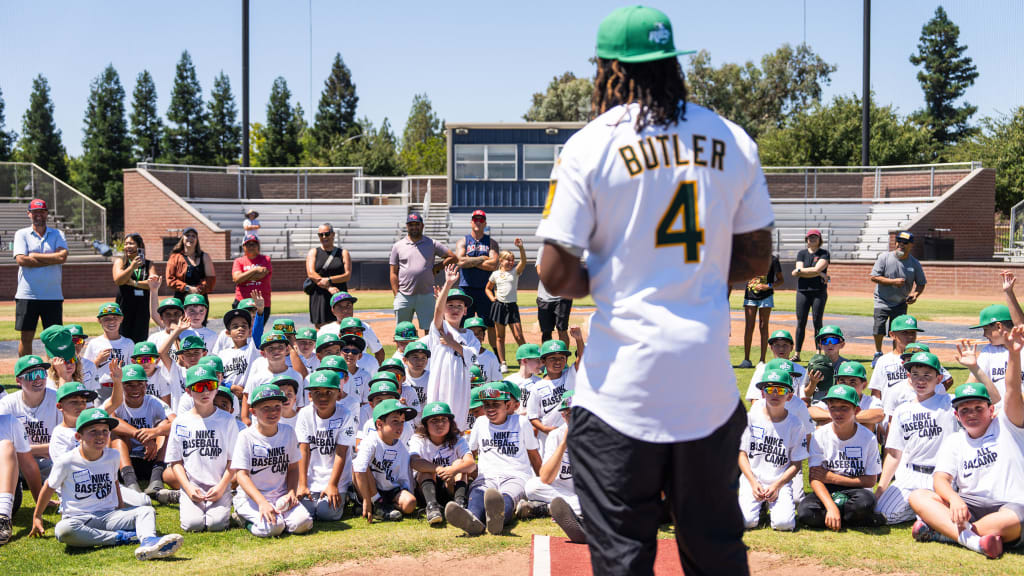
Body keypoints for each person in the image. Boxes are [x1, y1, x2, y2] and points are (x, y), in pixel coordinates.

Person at [536, 8, 774, 574]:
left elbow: (552, 270)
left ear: (609, 70)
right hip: (708, 391)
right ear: (672, 65)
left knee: (622, 558)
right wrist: (693, 274)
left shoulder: (590, 145)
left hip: (620, 394)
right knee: (716, 553)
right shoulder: (731, 138)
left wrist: (622, 273)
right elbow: (756, 256)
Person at [908, 326, 1024, 560]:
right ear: (956, 415)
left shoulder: (1007, 424)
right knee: (918, 496)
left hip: (1008, 505)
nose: (971, 414)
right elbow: (941, 479)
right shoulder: (955, 441)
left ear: (991, 410)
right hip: (969, 506)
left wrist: (1013, 353)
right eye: (965, 409)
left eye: (978, 408)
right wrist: (954, 499)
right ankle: (977, 542)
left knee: (1012, 520)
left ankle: (944, 532)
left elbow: (1012, 390)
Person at [29, 408, 184, 560]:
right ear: (78, 436)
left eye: (105, 431)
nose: (100, 436)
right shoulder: (67, 461)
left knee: (146, 511)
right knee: (63, 530)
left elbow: (114, 482)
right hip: (79, 519)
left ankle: (149, 541)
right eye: (93, 431)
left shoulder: (113, 455)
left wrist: (121, 508)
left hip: (109, 516)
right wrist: (37, 516)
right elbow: (48, 487)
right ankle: (121, 537)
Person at [873, 352, 957, 526]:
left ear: (939, 378)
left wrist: (974, 368)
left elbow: (993, 401)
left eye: (928, 375)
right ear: (909, 377)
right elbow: (894, 454)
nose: (921, 381)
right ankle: (926, 513)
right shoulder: (902, 411)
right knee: (880, 514)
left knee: (955, 514)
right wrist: (880, 490)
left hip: (941, 477)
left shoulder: (950, 402)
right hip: (910, 474)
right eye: (916, 375)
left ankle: (928, 512)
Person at [446, 386, 540, 536]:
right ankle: (473, 519)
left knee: (507, 497)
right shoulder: (480, 423)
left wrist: (542, 482)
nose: (490, 409)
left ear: (508, 405)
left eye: (496, 404)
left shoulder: (521, 422)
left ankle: (498, 519)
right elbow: (471, 452)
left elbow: (533, 455)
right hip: (487, 475)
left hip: (515, 475)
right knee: (478, 492)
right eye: (486, 405)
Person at [231, 384, 313, 538]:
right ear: (253, 411)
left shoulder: (288, 432)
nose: (273, 412)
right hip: (252, 498)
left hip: (280, 495)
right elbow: (241, 475)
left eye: (277, 406)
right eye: (266, 408)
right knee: (274, 528)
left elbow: (293, 468)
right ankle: (242, 519)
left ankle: (282, 518)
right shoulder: (246, 436)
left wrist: (291, 492)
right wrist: (262, 503)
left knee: (303, 524)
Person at [165, 365, 239, 532]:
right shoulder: (180, 421)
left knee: (216, 524)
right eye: (199, 387)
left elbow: (233, 460)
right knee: (193, 525)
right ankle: (180, 495)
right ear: (189, 391)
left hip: (219, 483)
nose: (205, 392)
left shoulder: (227, 420)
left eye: (210, 386)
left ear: (216, 387)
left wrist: (221, 487)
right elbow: (175, 461)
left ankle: (228, 502)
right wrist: (189, 488)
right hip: (192, 485)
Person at [797, 384, 882, 530]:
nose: (838, 413)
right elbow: (815, 478)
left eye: (844, 407)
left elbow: (870, 480)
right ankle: (848, 517)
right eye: (833, 407)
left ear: (856, 410)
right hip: (828, 488)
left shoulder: (868, 438)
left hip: (857, 490)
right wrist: (831, 506)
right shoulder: (819, 436)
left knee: (865, 502)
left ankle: (839, 517)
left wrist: (832, 478)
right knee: (805, 512)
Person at [738, 370, 807, 532]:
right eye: (769, 389)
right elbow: (741, 454)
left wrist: (777, 485)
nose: (775, 394)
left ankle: (768, 505)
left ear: (789, 396)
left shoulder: (796, 424)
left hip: (779, 482)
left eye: (781, 390)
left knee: (785, 524)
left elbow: (796, 463)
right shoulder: (751, 418)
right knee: (745, 521)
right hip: (752, 480)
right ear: (762, 393)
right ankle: (759, 507)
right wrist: (753, 483)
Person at [296, 370, 358, 522]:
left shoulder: (345, 414)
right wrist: (303, 484)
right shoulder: (304, 414)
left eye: (329, 392)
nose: (323, 397)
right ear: (310, 395)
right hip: (312, 477)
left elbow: (341, 452)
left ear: (338, 393)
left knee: (326, 513)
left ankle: (347, 493)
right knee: (306, 513)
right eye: (317, 392)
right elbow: (303, 449)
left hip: (335, 477)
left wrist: (332, 485)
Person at [427, 265, 481, 428]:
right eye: (450, 305)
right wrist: (448, 284)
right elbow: (437, 311)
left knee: (457, 426)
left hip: (460, 385)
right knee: (438, 422)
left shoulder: (471, 336)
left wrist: (453, 344)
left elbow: (472, 358)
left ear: (465, 311)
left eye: (459, 306)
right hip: (440, 383)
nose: (455, 309)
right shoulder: (440, 328)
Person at [14, 198, 69, 357]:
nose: (39, 215)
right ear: (29, 214)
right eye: (35, 212)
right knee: (26, 337)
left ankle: (54, 376)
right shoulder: (21, 234)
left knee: (54, 339)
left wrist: (35, 256)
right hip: (27, 294)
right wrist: (52, 259)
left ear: (47, 214)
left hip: (52, 295)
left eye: (42, 211)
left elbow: (62, 258)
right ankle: (25, 374)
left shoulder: (58, 233)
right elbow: (21, 260)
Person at [524, 391, 584, 536]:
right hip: (560, 490)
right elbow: (546, 478)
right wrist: (563, 444)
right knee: (532, 486)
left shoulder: (597, 433)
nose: (574, 418)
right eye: (569, 414)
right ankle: (577, 510)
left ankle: (547, 509)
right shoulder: (555, 435)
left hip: (586, 493)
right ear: (563, 416)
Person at [409, 401, 475, 524]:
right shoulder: (418, 439)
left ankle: (460, 505)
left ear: (450, 423)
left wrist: (454, 470)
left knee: (459, 464)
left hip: (450, 486)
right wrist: (438, 469)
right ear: (425, 424)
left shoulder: (458, 439)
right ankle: (432, 508)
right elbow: (414, 462)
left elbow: (471, 464)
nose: (440, 424)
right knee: (425, 470)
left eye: (444, 420)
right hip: (426, 490)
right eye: (434, 421)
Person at [353, 399, 418, 522]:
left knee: (410, 503)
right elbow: (358, 468)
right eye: (395, 421)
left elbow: (405, 479)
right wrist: (367, 499)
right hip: (371, 490)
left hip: (390, 491)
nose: (400, 426)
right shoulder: (370, 441)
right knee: (359, 465)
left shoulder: (402, 449)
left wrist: (407, 495)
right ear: (379, 424)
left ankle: (383, 507)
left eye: (402, 422)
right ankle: (374, 503)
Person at [390, 212, 455, 335]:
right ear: (407, 226)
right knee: (402, 331)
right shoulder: (398, 246)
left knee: (431, 330)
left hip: (427, 294)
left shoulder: (431, 243)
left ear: (422, 226)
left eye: (417, 224)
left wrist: (437, 267)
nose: (414, 227)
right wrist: (396, 294)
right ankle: (404, 354)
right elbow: (393, 272)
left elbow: (452, 257)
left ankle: (429, 354)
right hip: (404, 294)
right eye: (411, 224)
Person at [870, 231, 926, 365]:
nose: (901, 245)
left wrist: (915, 294)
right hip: (882, 300)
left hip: (901, 302)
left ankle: (896, 356)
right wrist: (893, 282)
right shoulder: (884, 258)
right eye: (898, 242)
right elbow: (874, 277)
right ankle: (878, 352)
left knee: (899, 330)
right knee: (879, 327)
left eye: (905, 243)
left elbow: (921, 283)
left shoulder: (914, 263)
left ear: (911, 245)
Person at [456, 210, 500, 350]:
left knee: (490, 324)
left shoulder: (491, 243)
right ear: (471, 222)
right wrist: (482, 259)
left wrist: (470, 261)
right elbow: (460, 262)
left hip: (485, 289)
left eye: (481, 220)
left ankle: (497, 357)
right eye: (475, 219)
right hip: (466, 288)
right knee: (462, 323)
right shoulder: (463, 241)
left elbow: (493, 264)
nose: (478, 222)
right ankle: (461, 351)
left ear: (485, 223)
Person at [485, 238, 528, 372]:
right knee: (500, 336)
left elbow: (524, 262)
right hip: (499, 306)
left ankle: (527, 358)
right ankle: (503, 363)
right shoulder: (495, 274)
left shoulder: (515, 272)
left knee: (519, 335)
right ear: (501, 261)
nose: (511, 262)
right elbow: (487, 288)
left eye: (512, 259)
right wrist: (493, 298)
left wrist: (521, 248)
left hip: (512, 307)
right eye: (508, 259)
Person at [112, 233, 162, 344]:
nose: (127, 246)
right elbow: (118, 280)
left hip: (142, 308)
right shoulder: (121, 262)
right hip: (124, 306)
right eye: (125, 244)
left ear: (139, 246)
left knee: (140, 339)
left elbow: (153, 283)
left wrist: (133, 283)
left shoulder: (148, 264)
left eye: (131, 243)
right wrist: (131, 267)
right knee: (123, 339)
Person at [83, 303, 135, 401]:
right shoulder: (94, 343)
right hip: (100, 388)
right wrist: (98, 360)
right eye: (106, 319)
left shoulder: (128, 343)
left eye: (115, 318)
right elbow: (85, 370)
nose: (111, 321)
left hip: (122, 387)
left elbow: (132, 368)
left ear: (121, 319)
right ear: (99, 320)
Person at [791, 229, 830, 362]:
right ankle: (797, 353)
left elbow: (811, 269)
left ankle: (818, 351)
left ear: (820, 239)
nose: (812, 239)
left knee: (817, 322)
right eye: (810, 237)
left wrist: (806, 271)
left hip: (818, 291)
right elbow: (796, 272)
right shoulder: (801, 253)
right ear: (806, 239)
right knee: (800, 322)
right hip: (803, 291)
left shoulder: (824, 253)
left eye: (815, 237)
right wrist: (818, 273)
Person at [739, 253, 783, 368]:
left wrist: (768, 286)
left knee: (763, 326)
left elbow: (780, 280)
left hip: (766, 297)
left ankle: (762, 360)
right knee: (749, 327)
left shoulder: (773, 259)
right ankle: (746, 360)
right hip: (749, 296)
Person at [306, 223, 352, 329]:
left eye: (327, 234)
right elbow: (311, 273)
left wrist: (329, 279)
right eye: (320, 235)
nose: (324, 237)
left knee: (341, 326)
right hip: (319, 294)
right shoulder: (314, 252)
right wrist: (328, 286)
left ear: (333, 234)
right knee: (320, 327)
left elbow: (347, 275)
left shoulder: (343, 253)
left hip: (338, 294)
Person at [1, 408, 33, 545]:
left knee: (6, 445)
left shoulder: (9, 422)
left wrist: (40, 501)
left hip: (4, 493)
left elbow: (28, 465)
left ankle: (3, 518)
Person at [165, 227, 216, 302]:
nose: (190, 238)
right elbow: (170, 280)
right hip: (181, 299)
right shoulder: (175, 257)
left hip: (200, 298)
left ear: (197, 240)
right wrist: (187, 288)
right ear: (183, 238)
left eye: (193, 236)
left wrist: (198, 289)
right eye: (187, 235)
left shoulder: (205, 256)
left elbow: (211, 279)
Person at [535, 245, 572, 344]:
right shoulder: (543, 248)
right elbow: (539, 270)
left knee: (562, 329)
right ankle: (547, 358)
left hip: (562, 297)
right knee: (546, 332)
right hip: (544, 298)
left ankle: (564, 359)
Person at [232, 234, 272, 323]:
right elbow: (237, 279)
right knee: (242, 328)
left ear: (258, 246)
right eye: (248, 244)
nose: (251, 247)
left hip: (262, 302)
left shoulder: (265, 259)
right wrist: (255, 270)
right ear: (243, 247)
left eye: (253, 244)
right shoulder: (238, 261)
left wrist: (244, 277)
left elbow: (262, 275)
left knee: (258, 330)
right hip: (242, 301)